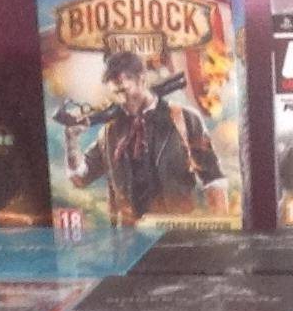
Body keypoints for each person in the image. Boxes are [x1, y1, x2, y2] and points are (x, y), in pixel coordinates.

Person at [65, 49, 223, 225]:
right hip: (129, 236)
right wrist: (71, 142)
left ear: (142, 80)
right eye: (115, 94)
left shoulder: (184, 118)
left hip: (175, 232)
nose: (121, 101)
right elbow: (80, 178)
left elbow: (213, 179)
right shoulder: (110, 132)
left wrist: (220, 223)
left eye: (124, 91)